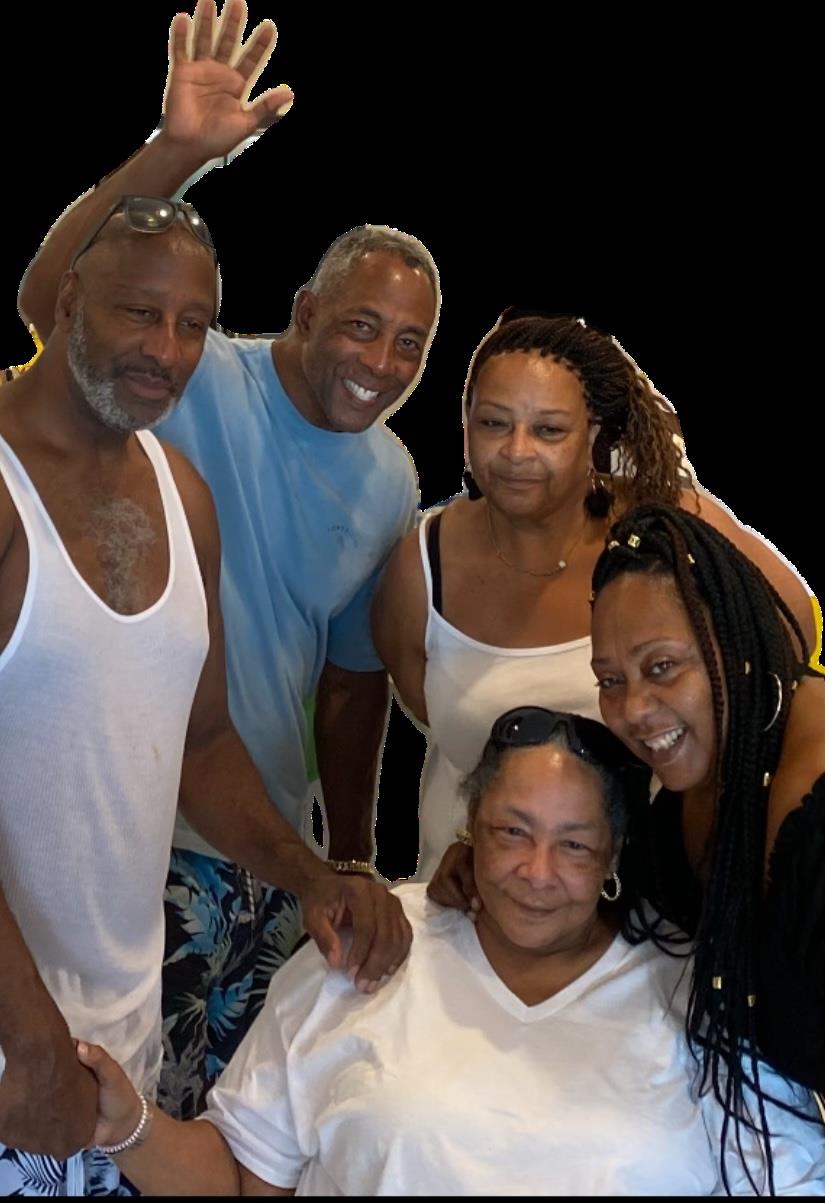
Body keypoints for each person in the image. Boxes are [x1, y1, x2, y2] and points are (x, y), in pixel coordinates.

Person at [18, 0, 439, 1117]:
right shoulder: (192, 392)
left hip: (210, 892)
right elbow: (50, 290)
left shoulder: (360, 480)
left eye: (409, 344)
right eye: (359, 327)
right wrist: (179, 155)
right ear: (303, 313)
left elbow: (311, 701)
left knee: (220, 1128)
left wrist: (336, 862)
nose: (166, 349)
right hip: (92, 927)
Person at [0, 195, 410, 1196]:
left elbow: (207, 741)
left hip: (121, 1036)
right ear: (66, 299)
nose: (167, 349)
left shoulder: (181, 492)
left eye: (191, 323)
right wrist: (30, 1035)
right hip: (20, 1051)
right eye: (140, 313)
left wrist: (318, 876)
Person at [73, 708, 825, 1196]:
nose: (536, 871)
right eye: (511, 831)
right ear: (469, 823)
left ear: (614, 854)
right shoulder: (369, 945)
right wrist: (126, 1123)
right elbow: (240, 1179)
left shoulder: (697, 991)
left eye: (573, 844)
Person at [372, 309, 816, 882]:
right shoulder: (421, 562)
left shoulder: (663, 527)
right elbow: (419, 700)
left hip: (650, 895)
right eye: (493, 423)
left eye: (549, 430)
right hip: (469, 887)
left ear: (596, 436)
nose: (516, 451)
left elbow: (788, 627)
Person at [586, 503, 825, 1134]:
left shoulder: (816, 822)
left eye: (661, 667)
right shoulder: (701, 767)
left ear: (734, 640)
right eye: (610, 680)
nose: (634, 709)